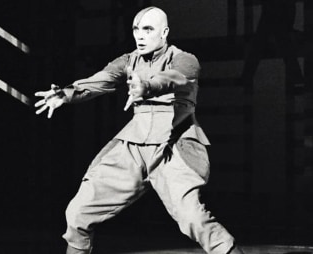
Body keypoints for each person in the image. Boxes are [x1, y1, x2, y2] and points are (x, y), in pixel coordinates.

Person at [34, 7, 244, 254]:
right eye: (136, 29)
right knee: (79, 211)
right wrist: (67, 93)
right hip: (132, 146)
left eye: (148, 29)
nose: (140, 36)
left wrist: (147, 86)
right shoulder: (128, 60)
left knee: (192, 218)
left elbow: (175, 78)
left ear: (164, 33)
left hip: (173, 145)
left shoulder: (185, 59)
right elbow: (101, 80)